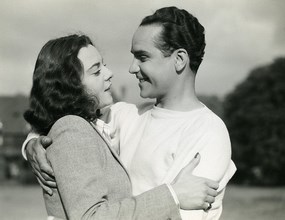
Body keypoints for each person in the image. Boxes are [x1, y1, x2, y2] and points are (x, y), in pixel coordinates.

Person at [23, 6, 236, 219]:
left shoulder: (208, 131)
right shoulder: (124, 114)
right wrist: (34, 144)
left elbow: (178, 214)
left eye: (143, 57)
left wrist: (173, 196)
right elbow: (64, 122)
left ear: (179, 59)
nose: (132, 68)